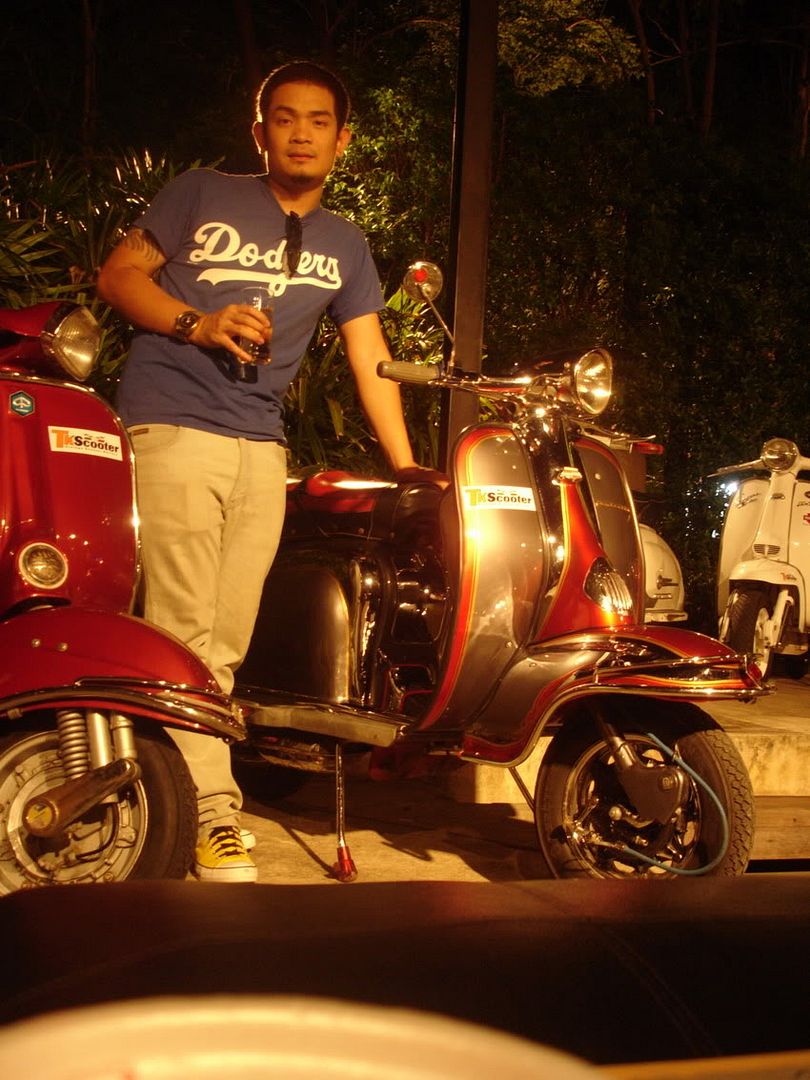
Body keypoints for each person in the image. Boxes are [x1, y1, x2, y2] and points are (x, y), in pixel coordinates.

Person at [96, 60, 432, 883]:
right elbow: (118, 276)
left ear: (342, 140)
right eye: (285, 118)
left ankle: (165, 793)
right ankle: (213, 815)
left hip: (261, 445)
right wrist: (198, 322)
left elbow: (371, 358)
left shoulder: (346, 243)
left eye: (318, 121)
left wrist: (407, 467)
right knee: (182, 630)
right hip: (174, 424)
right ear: (260, 132)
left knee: (224, 645)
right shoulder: (201, 193)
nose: (301, 133)